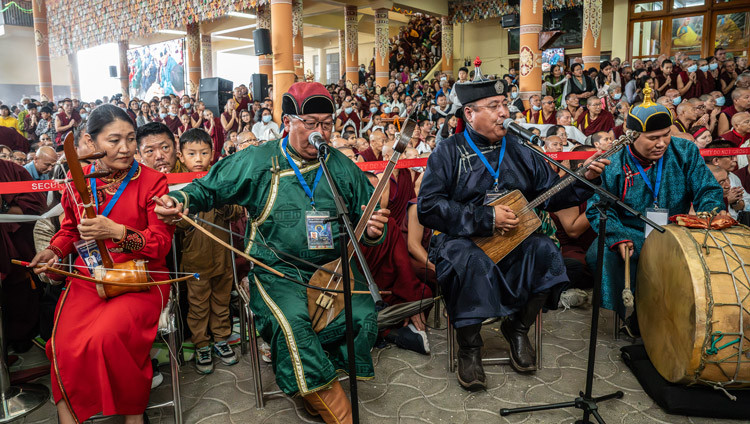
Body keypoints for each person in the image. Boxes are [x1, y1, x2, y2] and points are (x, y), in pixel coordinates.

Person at [154, 82, 389, 423]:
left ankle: (312, 384)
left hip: (331, 271)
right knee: (294, 323)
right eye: (310, 123)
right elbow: (207, 188)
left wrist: (370, 232)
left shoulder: (340, 165)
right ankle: (339, 410)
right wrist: (182, 200)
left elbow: (365, 220)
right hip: (276, 272)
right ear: (288, 121)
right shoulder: (259, 160)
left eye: (327, 123)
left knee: (361, 313)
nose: (320, 132)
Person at [418, 68, 608, 391]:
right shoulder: (448, 152)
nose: (504, 112)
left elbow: (551, 195)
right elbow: (428, 207)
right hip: (462, 243)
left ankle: (518, 328)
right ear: (470, 112)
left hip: (514, 240)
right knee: (469, 261)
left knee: (547, 252)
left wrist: (585, 180)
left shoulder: (520, 149)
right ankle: (470, 347)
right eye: (493, 105)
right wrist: (486, 218)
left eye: (504, 103)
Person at [28, 104, 175, 423]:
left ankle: (133, 415)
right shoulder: (76, 178)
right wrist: (54, 252)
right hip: (89, 278)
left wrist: (118, 232)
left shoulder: (152, 182)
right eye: (114, 140)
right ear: (92, 143)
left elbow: (161, 243)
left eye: (131, 138)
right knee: (61, 346)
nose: (125, 148)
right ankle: (70, 418)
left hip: (141, 278)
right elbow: (70, 229)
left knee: (106, 337)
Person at [585, 86, 725, 335]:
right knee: (600, 253)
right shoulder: (613, 160)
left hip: (675, 232)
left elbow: (707, 190)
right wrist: (618, 236)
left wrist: (710, 214)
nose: (661, 143)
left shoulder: (685, 152)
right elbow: (598, 207)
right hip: (632, 232)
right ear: (631, 136)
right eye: (653, 138)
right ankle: (622, 315)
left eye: (666, 135)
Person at [173, 129, 243, 373]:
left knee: (222, 301)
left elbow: (237, 211)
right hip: (195, 261)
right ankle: (202, 343)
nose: (198, 158)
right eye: (192, 154)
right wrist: (186, 211)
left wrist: (222, 203)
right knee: (198, 305)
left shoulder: (218, 178)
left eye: (203, 153)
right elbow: (176, 224)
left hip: (223, 258)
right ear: (181, 156)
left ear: (212, 154)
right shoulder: (179, 185)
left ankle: (221, 339)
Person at [0, 159, 46, 353]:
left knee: (19, 298)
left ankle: (19, 342)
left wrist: (3, 206)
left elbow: (36, 207)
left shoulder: (12, 170)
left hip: (16, 251)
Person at [703, 140, 749, 218]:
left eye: (735, 156)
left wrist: (736, 202)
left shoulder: (734, 177)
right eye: (731, 157)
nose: (735, 160)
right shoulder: (701, 178)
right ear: (716, 160)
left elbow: (746, 202)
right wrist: (726, 200)